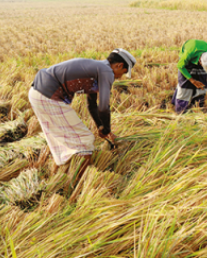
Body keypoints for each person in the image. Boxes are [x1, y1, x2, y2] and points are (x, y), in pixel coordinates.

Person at [30, 49, 136, 180]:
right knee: (85, 140)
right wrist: (107, 129)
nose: (120, 77)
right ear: (118, 65)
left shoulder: (96, 69)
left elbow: (92, 105)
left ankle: (58, 177)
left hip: (37, 93)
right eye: (123, 72)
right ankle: (79, 184)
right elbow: (103, 107)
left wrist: (101, 127)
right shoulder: (106, 71)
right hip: (48, 95)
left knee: (65, 141)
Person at [173, 39, 207, 113]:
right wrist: (192, 80)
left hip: (201, 57)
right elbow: (180, 66)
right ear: (200, 62)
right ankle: (180, 111)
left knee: (201, 85)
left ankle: (197, 108)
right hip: (189, 56)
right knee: (185, 86)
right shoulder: (189, 52)